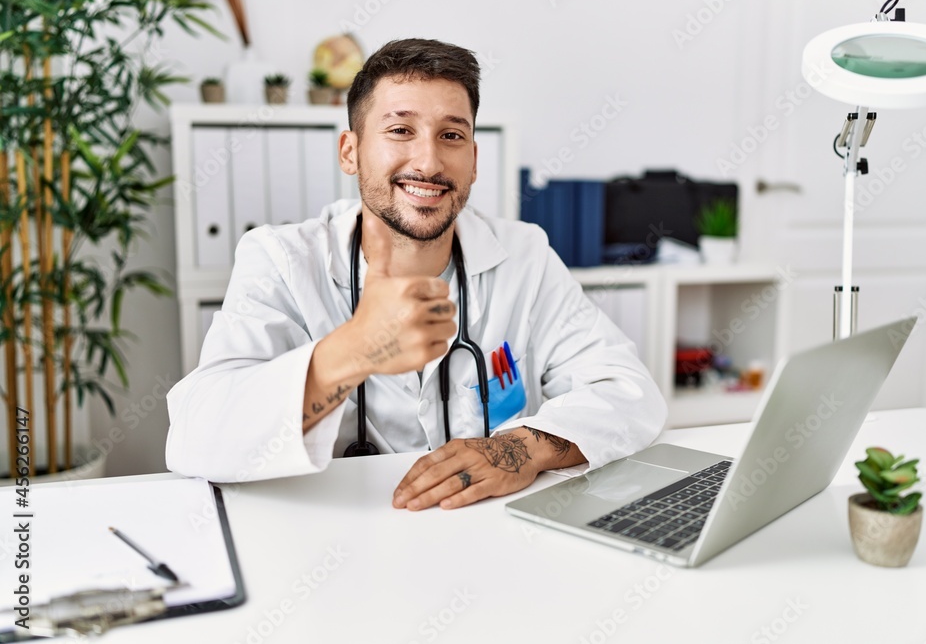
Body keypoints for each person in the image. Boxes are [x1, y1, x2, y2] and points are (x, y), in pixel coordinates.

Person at [165, 38, 666, 510]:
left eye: (451, 135)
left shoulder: (524, 255)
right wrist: (352, 351)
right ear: (350, 151)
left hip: (489, 533)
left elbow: (629, 392)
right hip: (340, 541)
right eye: (400, 130)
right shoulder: (281, 258)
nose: (428, 161)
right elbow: (197, 438)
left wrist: (517, 450)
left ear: (473, 160)